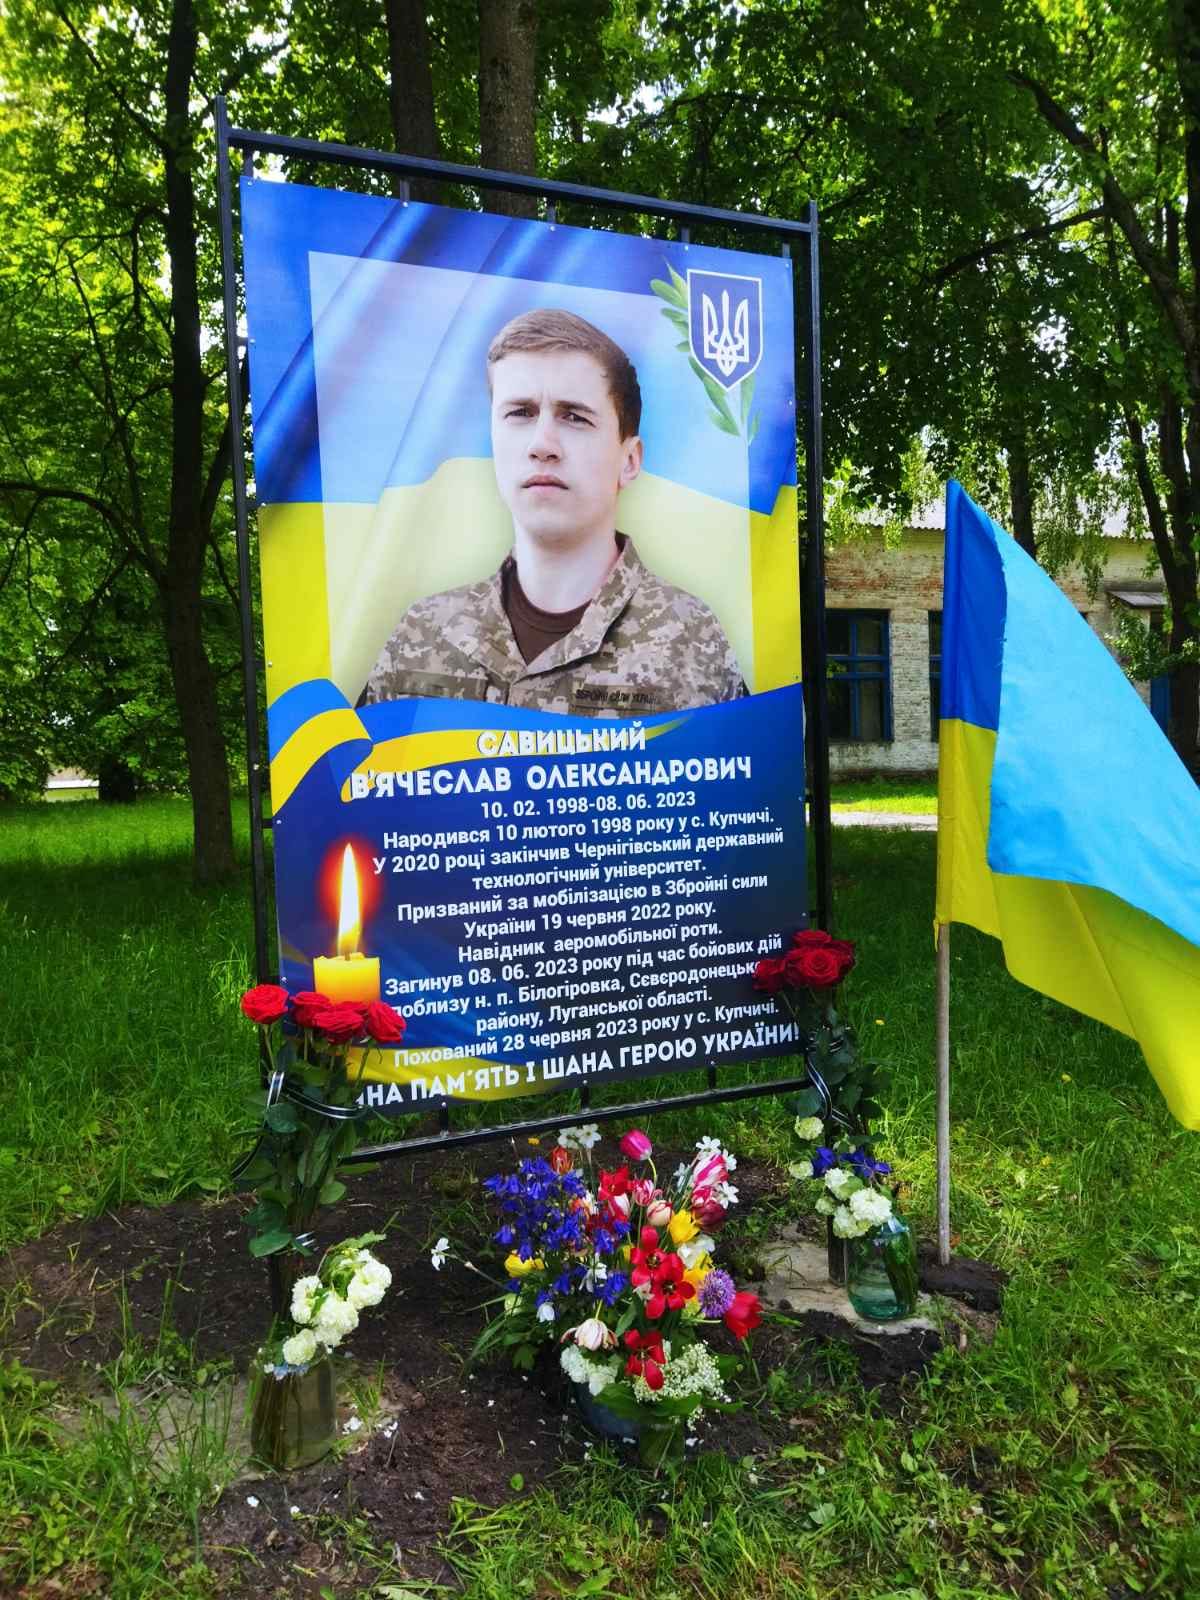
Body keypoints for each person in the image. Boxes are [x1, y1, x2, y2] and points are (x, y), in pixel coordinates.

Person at [362, 308, 745, 717]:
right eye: (520, 413)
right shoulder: (423, 633)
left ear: (629, 460)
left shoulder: (691, 643)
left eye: (574, 417)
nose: (542, 445)